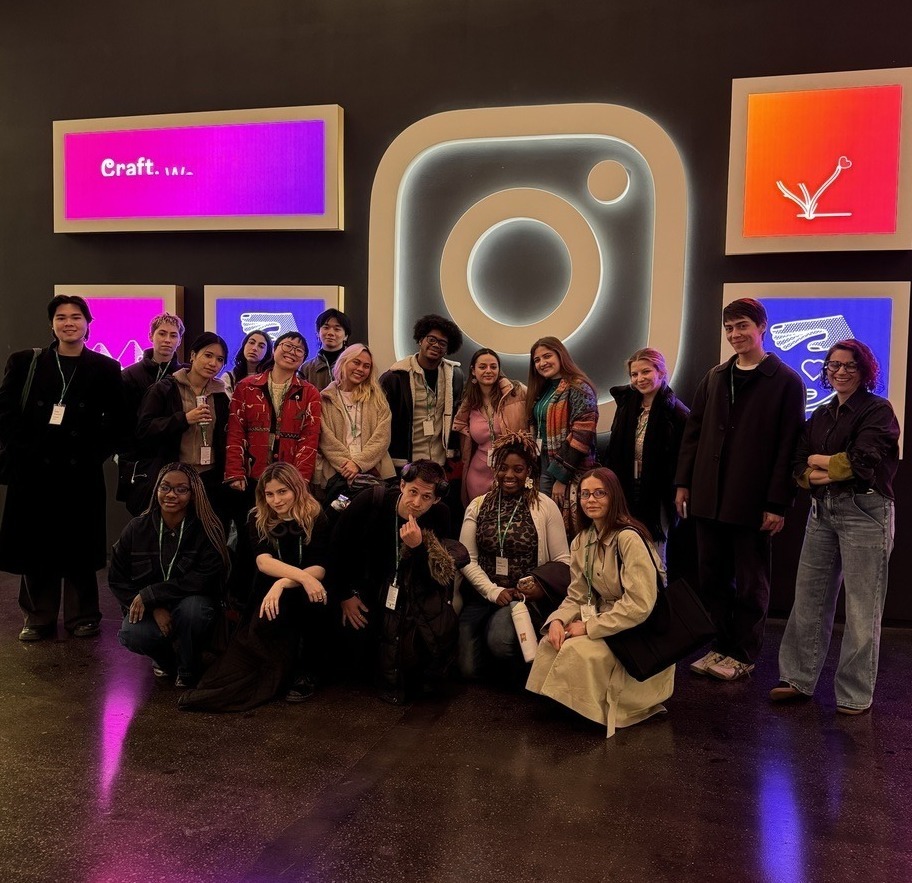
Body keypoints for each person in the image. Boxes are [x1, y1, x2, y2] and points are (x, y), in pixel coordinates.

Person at [675, 298, 805, 682]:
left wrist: (778, 503)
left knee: (751, 583)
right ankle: (719, 646)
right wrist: (683, 483)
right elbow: (693, 434)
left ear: (762, 327)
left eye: (742, 325)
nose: (735, 334)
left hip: (752, 500)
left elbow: (789, 446)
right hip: (708, 497)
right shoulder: (715, 376)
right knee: (712, 579)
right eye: (729, 328)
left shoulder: (786, 381)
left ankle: (743, 654)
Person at [771, 340, 899, 715]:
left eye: (849, 365)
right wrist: (824, 468)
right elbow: (798, 466)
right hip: (822, 511)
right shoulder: (822, 414)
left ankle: (854, 694)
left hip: (865, 512)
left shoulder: (878, 410)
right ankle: (797, 679)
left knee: (861, 609)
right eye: (834, 365)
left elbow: (861, 462)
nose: (840, 371)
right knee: (808, 599)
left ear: (865, 370)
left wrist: (820, 463)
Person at [0, 294, 124, 641]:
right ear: (52, 324)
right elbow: (5, 412)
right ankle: (37, 616)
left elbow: (117, 421)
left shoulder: (105, 368)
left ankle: (83, 615)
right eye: (61, 317)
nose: (69, 323)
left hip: (79, 471)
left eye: (76, 317)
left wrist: (92, 454)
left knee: (79, 545)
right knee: (36, 544)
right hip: (33, 470)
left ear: (88, 323)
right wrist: (24, 449)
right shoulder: (26, 362)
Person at [526, 468, 674, 737]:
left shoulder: (629, 538)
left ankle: (596, 708)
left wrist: (588, 627)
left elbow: (640, 605)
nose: (590, 500)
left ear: (613, 496)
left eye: (599, 493)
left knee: (578, 651)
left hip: (638, 627)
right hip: (605, 617)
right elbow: (577, 595)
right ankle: (570, 704)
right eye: (585, 494)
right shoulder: (582, 540)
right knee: (550, 642)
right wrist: (558, 620)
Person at [179, 462, 331, 711]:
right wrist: (290, 581)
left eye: (282, 492)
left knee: (312, 604)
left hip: (302, 592)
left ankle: (307, 673)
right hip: (269, 591)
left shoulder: (315, 515)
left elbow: (319, 569)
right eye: (269, 494)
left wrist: (284, 583)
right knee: (242, 669)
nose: (276, 500)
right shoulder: (257, 517)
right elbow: (263, 562)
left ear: (296, 488)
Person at [331, 459, 460, 704]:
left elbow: (435, 578)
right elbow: (337, 549)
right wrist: (345, 595)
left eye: (426, 497)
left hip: (408, 593)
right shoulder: (372, 501)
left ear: (436, 499)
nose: (417, 502)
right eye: (413, 492)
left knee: (417, 662)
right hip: (366, 587)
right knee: (354, 653)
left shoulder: (440, 514)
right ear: (402, 485)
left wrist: (418, 547)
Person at [458, 432, 570, 680]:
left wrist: (538, 584)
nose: (509, 475)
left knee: (500, 642)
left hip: (522, 598)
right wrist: (492, 591)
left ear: (529, 470)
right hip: (484, 593)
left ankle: (521, 669)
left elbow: (564, 561)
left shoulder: (544, 506)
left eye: (518, 469)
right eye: (503, 468)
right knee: (467, 669)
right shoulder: (478, 505)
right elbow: (467, 559)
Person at [110, 463, 230, 687]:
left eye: (181, 489)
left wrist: (152, 593)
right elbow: (117, 579)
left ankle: (189, 668)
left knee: (193, 612)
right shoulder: (136, 528)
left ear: (193, 494)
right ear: (156, 489)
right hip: (152, 607)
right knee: (132, 633)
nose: (171, 494)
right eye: (165, 487)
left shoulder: (206, 529)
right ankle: (167, 662)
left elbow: (205, 578)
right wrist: (153, 606)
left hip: (192, 603)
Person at [602, 348, 689, 567]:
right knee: (625, 549)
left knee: (655, 553)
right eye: (634, 374)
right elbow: (614, 449)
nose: (640, 378)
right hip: (626, 487)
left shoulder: (676, 412)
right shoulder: (626, 406)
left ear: (661, 372)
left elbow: (684, 457)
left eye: (646, 372)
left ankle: (656, 589)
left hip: (659, 492)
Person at [136, 332, 231, 522]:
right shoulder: (165, 388)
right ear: (193, 355)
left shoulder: (221, 395)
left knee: (210, 530)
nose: (213, 363)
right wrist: (184, 419)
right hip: (174, 477)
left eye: (220, 359)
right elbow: (144, 429)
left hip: (210, 477)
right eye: (208, 355)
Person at [224, 329, 322, 491]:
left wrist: (300, 480)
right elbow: (236, 431)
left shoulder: (310, 393)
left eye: (299, 350)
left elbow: (309, 439)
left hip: (289, 479)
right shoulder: (246, 387)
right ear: (275, 349)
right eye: (287, 346)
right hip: (250, 476)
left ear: (303, 359)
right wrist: (235, 472)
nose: (292, 352)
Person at [117, 312, 186, 514]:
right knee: (143, 520)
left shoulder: (186, 375)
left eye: (173, 335)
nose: (167, 340)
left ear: (180, 340)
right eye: (162, 334)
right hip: (142, 463)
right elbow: (123, 422)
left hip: (179, 459)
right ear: (150, 336)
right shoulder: (129, 375)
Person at [526, 336, 598, 519]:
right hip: (543, 463)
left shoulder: (579, 387)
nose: (542, 363)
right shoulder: (543, 389)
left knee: (564, 521)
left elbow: (582, 435)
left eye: (547, 356)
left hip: (568, 469)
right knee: (544, 518)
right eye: (537, 360)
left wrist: (561, 476)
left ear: (560, 355)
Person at [380, 314, 464, 470]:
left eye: (442, 343)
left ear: (447, 349)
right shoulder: (395, 377)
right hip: (404, 463)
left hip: (440, 463)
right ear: (420, 340)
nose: (436, 345)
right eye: (431, 339)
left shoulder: (455, 376)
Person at [315, 343, 395, 500]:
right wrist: (348, 467)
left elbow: (382, 437)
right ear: (343, 362)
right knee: (339, 514)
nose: (361, 369)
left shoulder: (378, 398)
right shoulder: (325, 398)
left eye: (366, 366)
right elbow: (326, 439)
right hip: (336, 474)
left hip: (374, 472)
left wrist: (359, 464)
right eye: (356, 362)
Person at [452, 348, 527, 503]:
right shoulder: (469, 403)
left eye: (493, 367)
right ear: (473, 371)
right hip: (478, 475)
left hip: (511, 474)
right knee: (478, 516)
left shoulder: (517, 393)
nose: (488, 371)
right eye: (482, 367)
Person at [301, 308, 352, 391]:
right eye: (326, 327)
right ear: (318, 333)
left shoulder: (354, 365)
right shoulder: (306, 368)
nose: (330, 333)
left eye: (337, 329)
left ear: (346, 336)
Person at [222, 330, 273, 397]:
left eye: (261, 346)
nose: (254, 348)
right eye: (251, 343)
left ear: (267, 353)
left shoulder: (271, 379)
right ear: (244, 345)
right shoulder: (229, 378)